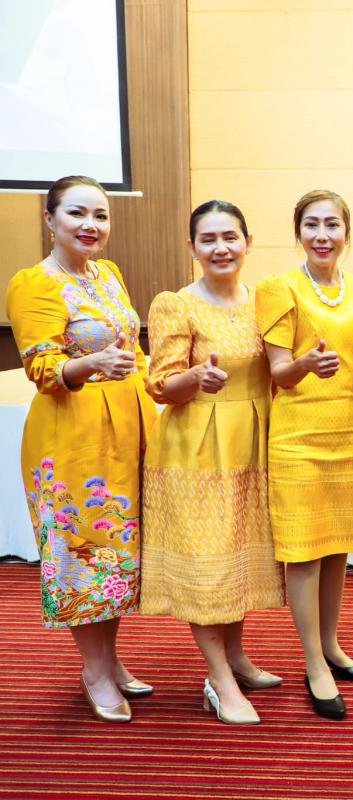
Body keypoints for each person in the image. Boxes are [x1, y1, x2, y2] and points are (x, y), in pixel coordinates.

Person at [7, 175, 157, 722]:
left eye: (100, 215)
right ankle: (94, 671)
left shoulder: (107, 274)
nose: (90, 225)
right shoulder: (34, 283)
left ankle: (110, 660)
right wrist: (91, 363)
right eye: (76, 213)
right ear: (49, 219)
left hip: (126, 428)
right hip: (70, 438)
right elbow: (42, 368)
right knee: (82, 554)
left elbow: (130, 350)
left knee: (117, 556)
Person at [141, 200, 286, 725]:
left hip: (254, 442)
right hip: (197, 450)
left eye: (230, 237)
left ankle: (237, 657)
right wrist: (196, 377)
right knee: (209, 565)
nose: (221, 248)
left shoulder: (264, 300)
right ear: (192, 247)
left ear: (248, 242)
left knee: (237, 559)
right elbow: (161, 385)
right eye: (208, 239)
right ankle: (219, 679)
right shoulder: (175, 304)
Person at [256, 190, 353, 720]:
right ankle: (313, 662)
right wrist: (306, 363)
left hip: (350, 429)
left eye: (332, 224)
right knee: (305, 551)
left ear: (347, 232)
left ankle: (332, 645)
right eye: (312, 225)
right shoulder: (278, 288)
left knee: (337, 549)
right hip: (299, 436)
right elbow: (279, 373)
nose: (322, 235)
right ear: (298, 232)